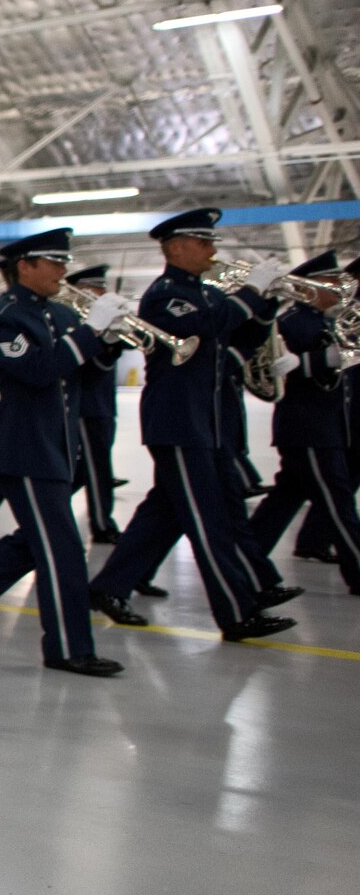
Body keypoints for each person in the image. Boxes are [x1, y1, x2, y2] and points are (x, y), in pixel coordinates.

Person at [0, 229, 128, 676]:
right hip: (26, 449)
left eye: (63, 263)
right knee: (63, 551)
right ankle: (68, 648)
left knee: (38, 541)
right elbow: (39, 371)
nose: (63, 271)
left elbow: (83, 376)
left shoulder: (57, 312)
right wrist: (90, 331)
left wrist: (109, 340)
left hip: (57, 447)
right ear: (26, 267)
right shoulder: (4, 317)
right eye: (53, 263)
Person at [87, 211, 296, 641]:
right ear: (176, 246)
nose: (212, 250)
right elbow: (208, 327)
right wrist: (251, 291)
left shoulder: (204, 292)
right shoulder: (167, 295)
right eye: (203, 242)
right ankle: (237, 613)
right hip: (178, 423)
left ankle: (109, 587)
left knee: (166, 513)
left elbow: (241, 336)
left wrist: (268, 300)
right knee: (207, 521)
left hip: (204, 423)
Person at [245, 252, 360, 593]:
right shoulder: (293, 322)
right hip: (307, 427)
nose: (341, 289)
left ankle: (244, 560)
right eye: (334, 283)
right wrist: (315, 362)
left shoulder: (323, 321)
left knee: (282, 502)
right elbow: (270, 373)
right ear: (314, 286)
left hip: (321, 425)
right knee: (338, 502)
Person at [65, 264, 127, 544]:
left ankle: (52, 504)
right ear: (81, 291)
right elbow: (94, 364)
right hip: (87, 405)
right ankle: (103, 525)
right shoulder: (80, 323)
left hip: (103, 404)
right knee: (98, 467)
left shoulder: (98, 320)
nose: (102, 293)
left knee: (86, 469)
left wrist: (116, 334)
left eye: (103, 287)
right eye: (95, 288)